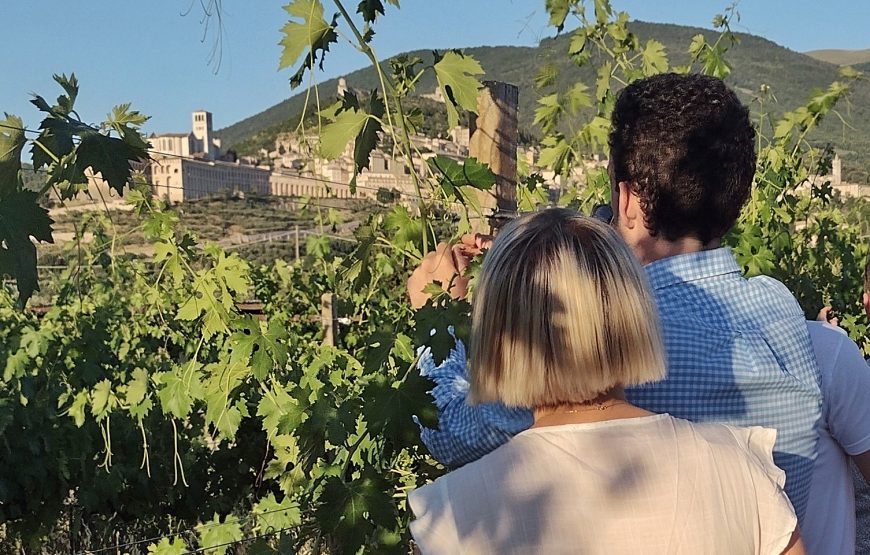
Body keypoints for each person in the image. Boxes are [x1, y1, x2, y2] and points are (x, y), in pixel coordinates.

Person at [409, 73, 870, 554]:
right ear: (737, 199)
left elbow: (454, 432)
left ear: (626, 199)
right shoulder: (781, 318)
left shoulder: (603, 338)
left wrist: (437, 316)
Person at [409, 209, 804, 554]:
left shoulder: (454, 518)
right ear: (631, 312)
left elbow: (447, 423)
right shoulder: (740, 471)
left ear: (496, 334)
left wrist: (441, 312)